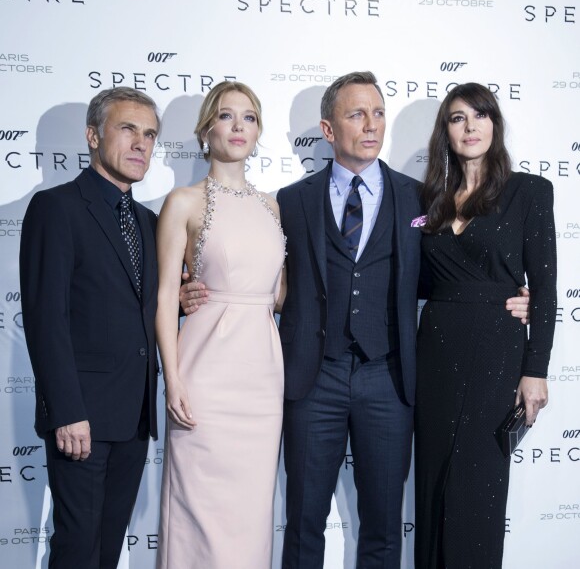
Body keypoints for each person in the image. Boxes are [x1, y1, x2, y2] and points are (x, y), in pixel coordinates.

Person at [180, 72, 531, 568]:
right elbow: (247, 264)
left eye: (379, 113)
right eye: (356, 114)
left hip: (389, 379)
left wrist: (511, 297)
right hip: (311, 378)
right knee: (303, 523)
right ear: (327, 129)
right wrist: (184, 287)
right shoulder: (291, 202)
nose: (371, 125)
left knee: (384, 526)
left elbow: (448, 276)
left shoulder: (419, 198)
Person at [414, 82, 556, 568]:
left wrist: (535, 370)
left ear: (495, 125)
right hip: (434, 358)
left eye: (480, 115)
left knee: (478, 492)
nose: (470, 126)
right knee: (433, 488)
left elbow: (546, 286)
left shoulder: (529, 191)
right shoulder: (428, 199)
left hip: (497, 355)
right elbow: (414, 280)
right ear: (446, 131)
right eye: (457, 118)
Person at [19, 87, 160, 569]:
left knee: (107, 548)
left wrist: (181, 303)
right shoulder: (56, 208)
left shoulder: (148, 220)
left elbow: (136, 307)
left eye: (150, 134)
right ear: (92, 135)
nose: (142, 143)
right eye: (128, 129)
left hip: (135, 414)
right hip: (80, 416)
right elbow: (45, 319)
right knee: (77, 548)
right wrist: (66, 410)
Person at [155, 81, 285, 569]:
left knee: (251, 514)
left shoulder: (271, 206)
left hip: (262, 378)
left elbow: (278, 294)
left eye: (249, 117)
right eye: (227, 116)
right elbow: (167, 296)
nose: (238, 126)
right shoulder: (183, 202)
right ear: (206, 128)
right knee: (198, 507)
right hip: (205, 372)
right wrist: (174, 379)